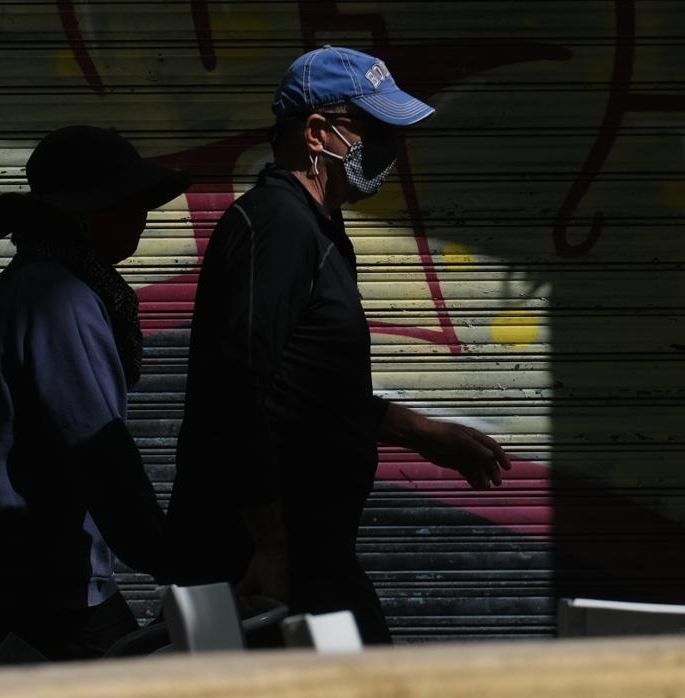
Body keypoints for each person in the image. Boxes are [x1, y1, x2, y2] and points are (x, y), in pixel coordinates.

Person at [166, 46, 513, 645]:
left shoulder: (312, 226)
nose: (391, 151)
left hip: (307, 549)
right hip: (265, 557)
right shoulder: (278, 226)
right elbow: (236, 387)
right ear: (318, 133)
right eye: (377, 131)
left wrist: (421, 432)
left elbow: (304, 390)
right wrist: (270, 545)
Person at [0, 126, 190, 661]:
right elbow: (99, 453)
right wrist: (176, 561)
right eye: (130, 202)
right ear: (85, 214)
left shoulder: (30, 286)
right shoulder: (60, 301)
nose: (143, 216)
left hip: (21, 578)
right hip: (53, 591)